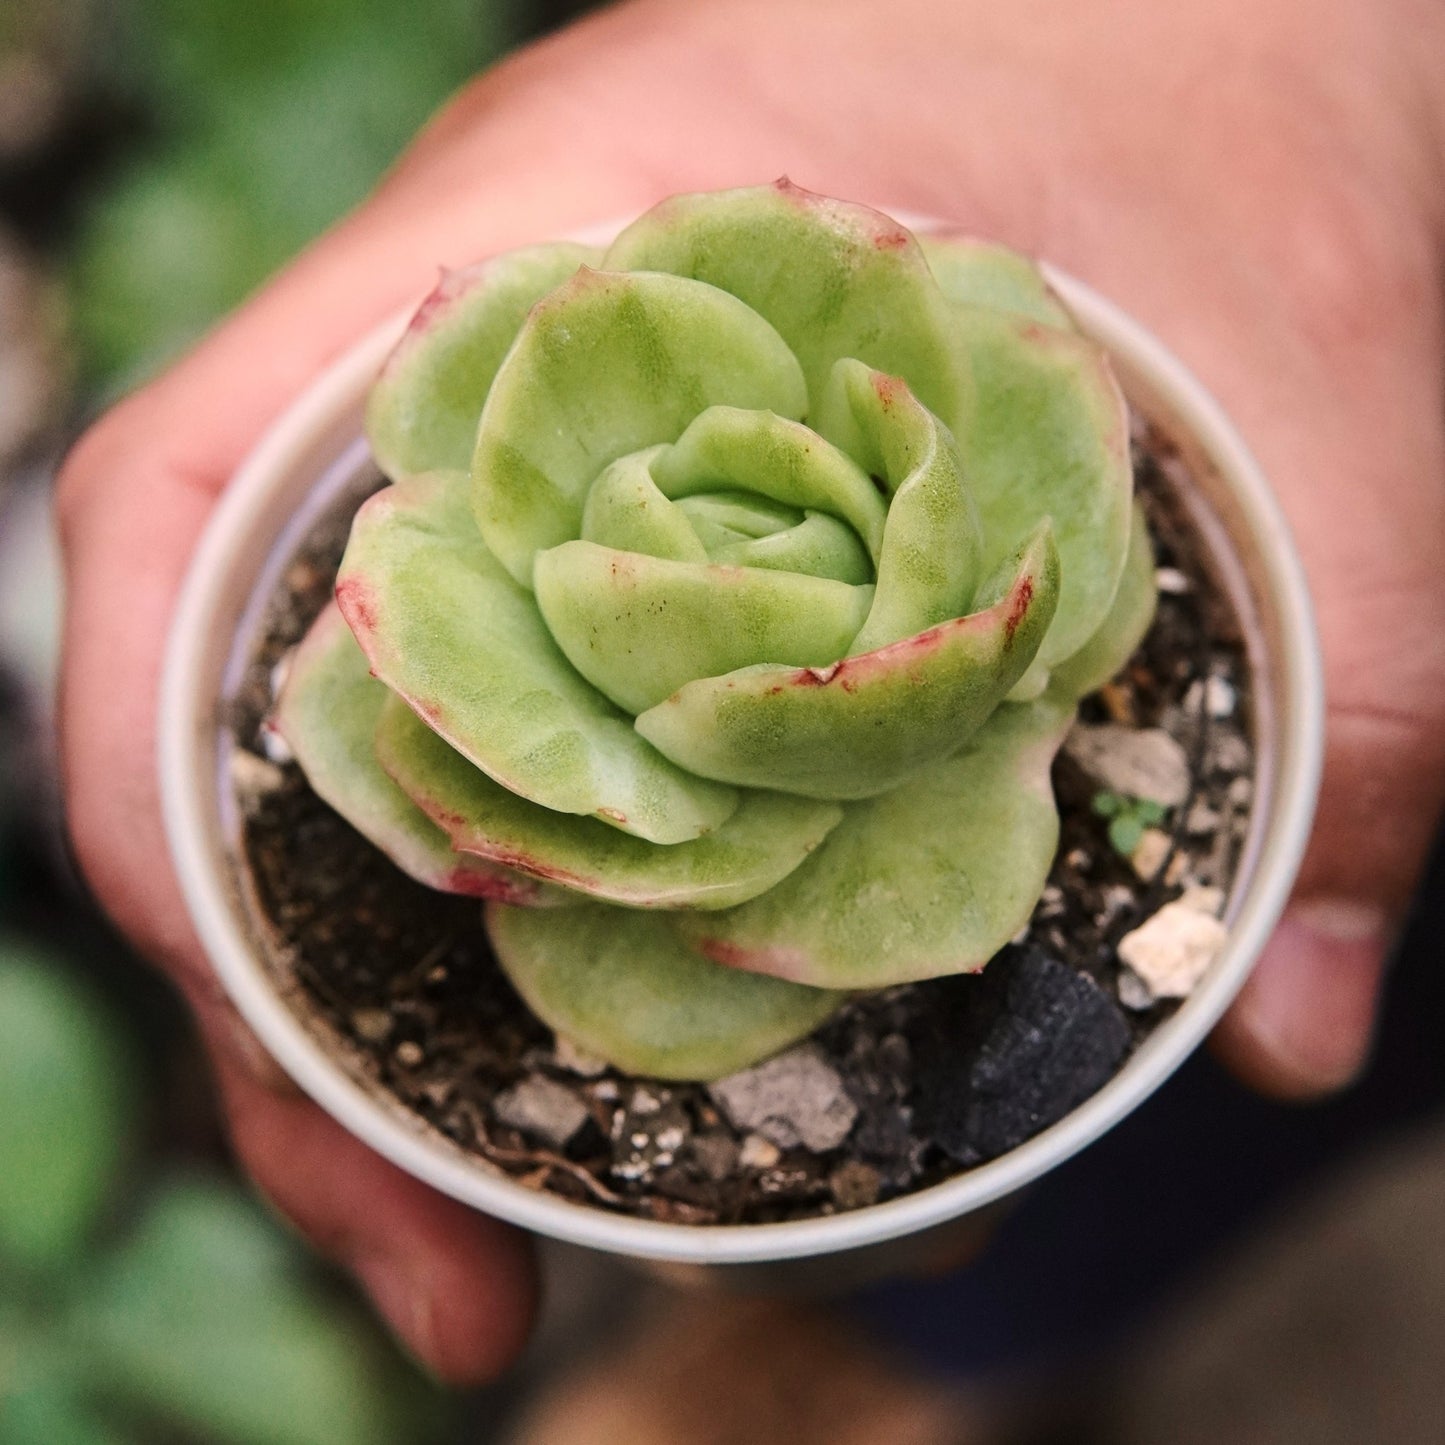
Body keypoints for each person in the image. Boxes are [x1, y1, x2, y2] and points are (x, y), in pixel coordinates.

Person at [56, 0, 1445, 1383]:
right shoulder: (478, 580)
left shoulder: (984, 526)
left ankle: (902, 1361)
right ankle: (893, 1356)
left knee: (1097, 1206)